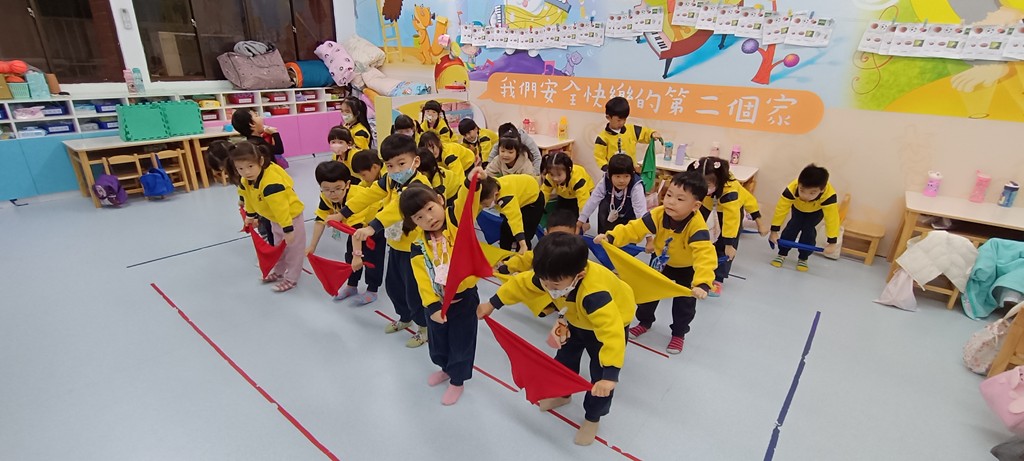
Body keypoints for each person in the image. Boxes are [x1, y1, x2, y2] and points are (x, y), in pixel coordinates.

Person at [477, 232, 636, 446]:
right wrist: (492, 304)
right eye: (544, 282)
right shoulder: (551, 276)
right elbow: (520, 285)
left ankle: (593, 417)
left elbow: (612, 334)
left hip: (609, 322)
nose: (548, 288)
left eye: (555, 285)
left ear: (579, 275)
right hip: (576, 318)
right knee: (564, 360)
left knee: (600, 377)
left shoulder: (595, 295)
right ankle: (563, 394)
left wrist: (610, 375)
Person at [595, 171, 717, 355]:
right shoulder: (658, 214)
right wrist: (611, 237)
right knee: (648, 292)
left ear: (696, 206)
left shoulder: (697, 227)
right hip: (661, 261)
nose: (671, 202)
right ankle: (644, 322)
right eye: (669, 195)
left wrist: (702, 283)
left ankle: (679, 333)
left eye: (680, 199)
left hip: (687, 268)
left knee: (685, 303)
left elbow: (705, 256)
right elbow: (634, 229)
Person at [345, 135, 432, 347]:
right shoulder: (391, 179)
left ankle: (424, 327)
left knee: (414, 292)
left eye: (401, 163)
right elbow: (370, 194)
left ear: (415, 161)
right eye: (390, 165)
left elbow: (397, 208)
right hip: (396, 245)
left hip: (415, 249)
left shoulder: (419, 185)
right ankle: (405, 317)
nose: (395, 170)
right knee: (394, 287)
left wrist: (372, 227)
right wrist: (344, 212)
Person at [402, 183, 481, 405]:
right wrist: (432, 305)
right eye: (419, 217)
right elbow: (422, 278)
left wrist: (471, 183)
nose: (428, 218)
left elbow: (467, 202)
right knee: (438, 342)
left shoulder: (456, 224)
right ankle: (445, 368)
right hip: (437, 303)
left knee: (462, 342)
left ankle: (458, 380)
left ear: (440, 201)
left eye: (430, 209)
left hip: (464, 300)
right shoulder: (418, 245)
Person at [232, 141, 306, 293]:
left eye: (250, 166)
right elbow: (249, 197)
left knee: (293, 250)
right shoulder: (246, 180)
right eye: (240, 168)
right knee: (278, 247)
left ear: (260, 161)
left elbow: (281, 209)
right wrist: (250, 215)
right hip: (274, 219)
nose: (246, 172)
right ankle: (279, 271)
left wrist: (288, 229)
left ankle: (291, 279)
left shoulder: (271, 184)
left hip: (290, 218)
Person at [688, 156, 744, 297]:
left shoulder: (729, 191)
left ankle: (718, 279)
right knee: (703, 239)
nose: (704, 186)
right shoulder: (700, 186)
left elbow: (732, 219)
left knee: (723, 247)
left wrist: (730, 244)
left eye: (708, 184)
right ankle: (699, 270)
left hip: (727, 215)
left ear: (718, 181)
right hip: (708, 207)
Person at [769, 164, 840, 272]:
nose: (805, 196)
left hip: (816, 212)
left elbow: (832, 219)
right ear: (799, 184)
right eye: (802, 190)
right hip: (798, 208)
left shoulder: (829, 196)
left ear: (822, 190)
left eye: (812, 193)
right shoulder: (792, 189)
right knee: (792, 226)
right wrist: (774, 231)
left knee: (808, 230)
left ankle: (803, 257)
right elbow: (781, 210)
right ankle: (782, 253)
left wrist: (832, 242)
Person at [578, 153, 649, 235]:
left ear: (632, 175)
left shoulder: (636, 186)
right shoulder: (605, 181)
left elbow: (641, 212)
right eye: (617, 176)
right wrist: (581, 220)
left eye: (626, 176)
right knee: (604, 235)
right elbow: (593, 200)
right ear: (609, 175)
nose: (622, 181)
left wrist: (648, 237)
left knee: (627, 236)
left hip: (629, 214)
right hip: (609, 212)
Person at [477, 173, 546, 254]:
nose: (484, 206)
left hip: (533, 203)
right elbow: (477, 209)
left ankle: (523, 254)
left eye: (485, 204)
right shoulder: (490, 188)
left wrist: (522, 244)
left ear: (496, 195)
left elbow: (515, 219)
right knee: (505, 230)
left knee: (525, 234)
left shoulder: (506, 199)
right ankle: (504, 256)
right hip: (520, 194)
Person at [593, 96, 661, 171]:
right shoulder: (602, 138)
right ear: (608, 117)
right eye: (619, 120)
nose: (622, 123)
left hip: (631, 172)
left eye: (624, 119)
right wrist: (607, 169)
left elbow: (645, 133)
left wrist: (652, 133)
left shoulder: (632, 130)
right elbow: (599, 157)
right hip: (613, 174)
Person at [540, 152, 593, 220]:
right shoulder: (549, 178)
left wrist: (584, 219)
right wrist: (540, 207)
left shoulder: (577, 180)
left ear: (569, 170)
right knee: (558, 217)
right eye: (552, 174)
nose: (555, 178)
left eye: (559, 175)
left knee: (575, 218)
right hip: (564, 195)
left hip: (583, 194)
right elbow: (544, 192)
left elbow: (583, 200)